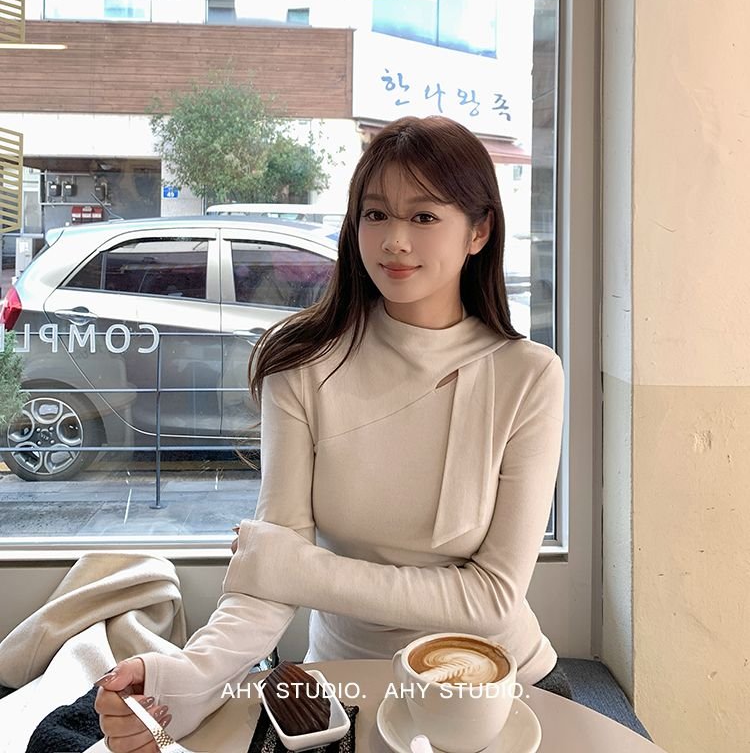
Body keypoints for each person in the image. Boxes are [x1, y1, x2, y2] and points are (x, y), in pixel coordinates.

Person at [95, 115, 570, 751]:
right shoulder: (303, 362)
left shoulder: (528, 375)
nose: (394, 241)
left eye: (424, 216)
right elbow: (270, 577)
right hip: (343, 692)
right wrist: (186, 680)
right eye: (375, 214)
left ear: (479, 231)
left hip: (497, 692)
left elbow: (492, 598)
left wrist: (296, 569)